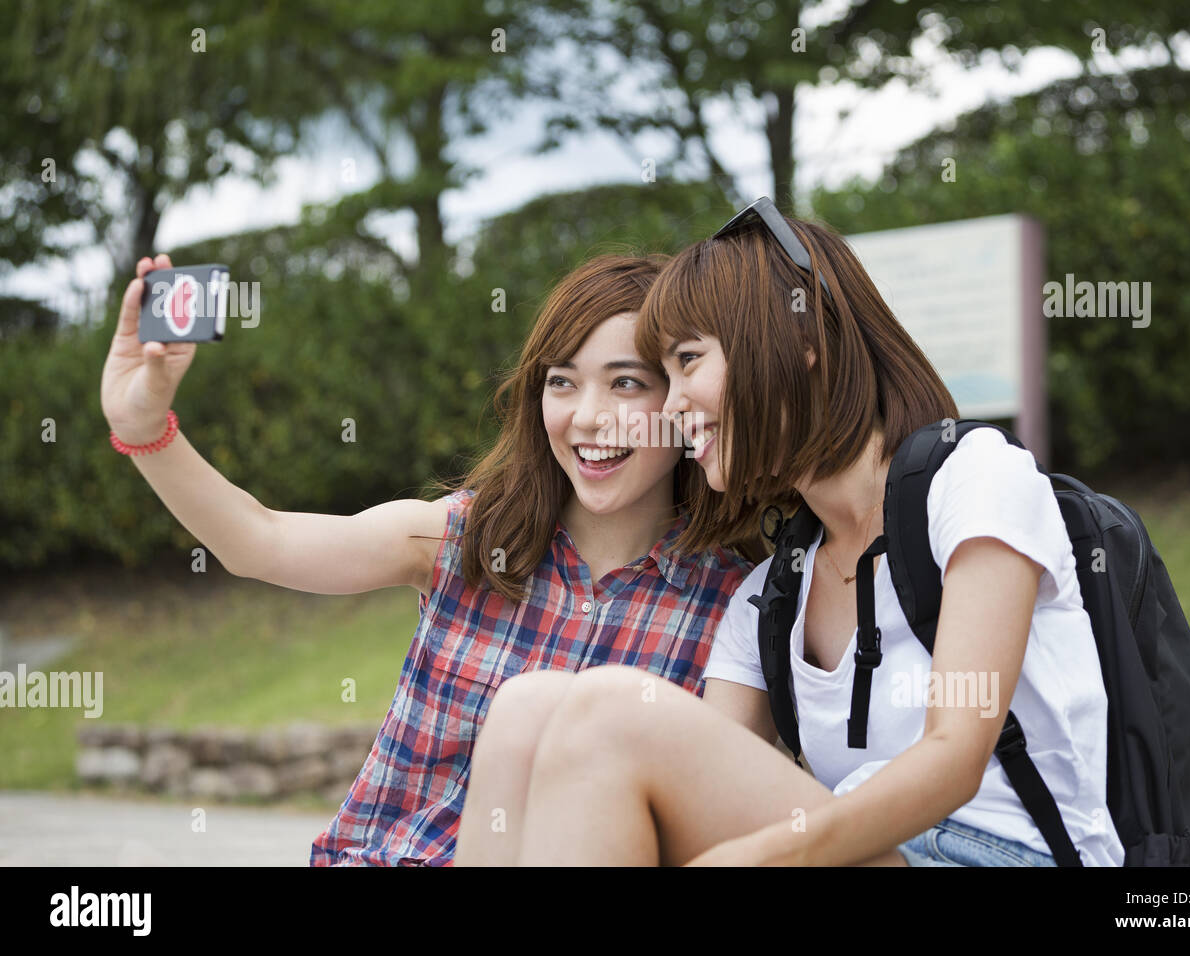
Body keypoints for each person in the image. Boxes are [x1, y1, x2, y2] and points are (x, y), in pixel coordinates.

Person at [455, 202, 1125, 867]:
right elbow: (691, 781)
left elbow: (955, 760)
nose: (670, 402)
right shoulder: (769, 602)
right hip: (856, 853)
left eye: (689, 360)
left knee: (609, 708)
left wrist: (763, 859)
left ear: (798, 341)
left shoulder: (974, 479)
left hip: (1006, 855)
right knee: (528, 709)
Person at [99, 251, 762, 866]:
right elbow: (258, 540)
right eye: (562, 382)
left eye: (625, 384)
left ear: (681, 403)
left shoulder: (736, 611)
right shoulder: (461, 539)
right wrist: (143, 430)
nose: (588, 417)